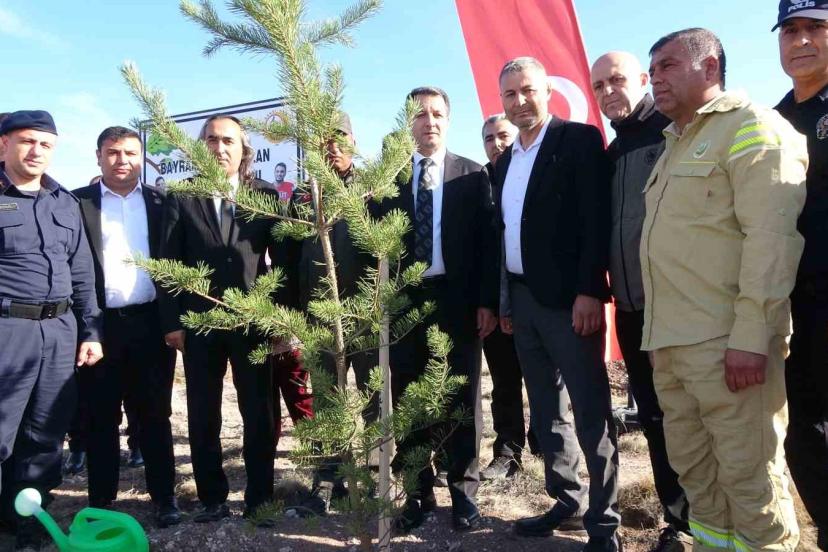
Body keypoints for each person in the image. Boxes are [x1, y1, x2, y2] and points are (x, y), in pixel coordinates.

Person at [642, 28, 805, 551]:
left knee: (751, 482)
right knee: (700, 482)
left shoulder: (752, 126)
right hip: (670, 344)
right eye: (652, 71)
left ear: (709, 68)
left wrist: (752, 336)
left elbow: (772, 240)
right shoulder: (673, 145)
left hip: (729, 344)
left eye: (667, 66)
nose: (655, 80)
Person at [493, 57, 620, 552]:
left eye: (528, 90)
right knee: (546, 410)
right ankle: (566, 500)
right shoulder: (506, 161)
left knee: (590, 410)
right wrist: (507, 301)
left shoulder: (578, 140)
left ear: (547, 91)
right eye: (510, 95)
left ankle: (604, 522)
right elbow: (508, 234)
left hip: (571, 303)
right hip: (523, 303)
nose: (520, 101)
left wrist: (591, 290)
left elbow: (595, 221)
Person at [159, 114, 289, 525]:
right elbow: (166, 264)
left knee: (259, 412)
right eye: (212, 140)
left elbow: (282, 265)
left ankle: (260, 498)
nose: (219, 148)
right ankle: (212, 498)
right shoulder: (181, 197)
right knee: (202, 412)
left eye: (228, 141)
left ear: (243, 149)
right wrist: (173, 323)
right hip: (200, 326)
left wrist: (281, 322)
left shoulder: (265, 196)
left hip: (253, 324)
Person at [382, 86, 498, 533]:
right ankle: (416, 491)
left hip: (459, 301)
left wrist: (486, 302)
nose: (428, 121)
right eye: (419, 114)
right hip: (408, 302)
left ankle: (463, 493)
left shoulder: (472, 175)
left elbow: (488, 246)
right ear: (407, 122)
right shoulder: (389, 181)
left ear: (448, 120)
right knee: (410, 398)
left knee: (460, 398)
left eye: (436, 113)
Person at [590, 51, 690, 551]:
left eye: (618, 80)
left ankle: (713, 521)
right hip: (630, 311)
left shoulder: (676, 132)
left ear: (644, 80)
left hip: (679, 310)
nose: (609, 91)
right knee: (652, 418)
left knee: (689, 418)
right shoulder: (611, 153)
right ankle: (680, 522)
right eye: (600, 85)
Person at [0, 110, 103, 549]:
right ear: (3, 145)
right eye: (27, 141)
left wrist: (92, 331)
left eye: (46, 144)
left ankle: (28, 519)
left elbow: (82, 273)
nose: (36, 151)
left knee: (45, 431)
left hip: (60, 332)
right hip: (7, 330)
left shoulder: (64, 201)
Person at [73, 126, 180, 527]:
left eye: (131, 153)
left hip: (152, 326)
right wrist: (86, 329)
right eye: (113, 152)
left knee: (155, 416)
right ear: (98, 156)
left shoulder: (160, 201)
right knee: (100, 418)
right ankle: (101, 502)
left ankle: (164, 497)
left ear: (142, 157)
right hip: (99, 329)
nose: (122, 160)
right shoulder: (76, 203)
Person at [295, 112, 378, 514]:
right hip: (319, 319)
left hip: (365, 317)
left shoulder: (374, 188)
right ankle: (331, 480)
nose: (332, 146)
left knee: (375, 399)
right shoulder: (302, 194)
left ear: (353, 140)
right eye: (323, 139)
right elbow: (291, 258)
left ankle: (377, 481)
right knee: (327, 401)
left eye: (340, 137)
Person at [774, 3, 828, 548]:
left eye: (816, 28)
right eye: (791, 30)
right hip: (792, 306)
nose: (802, 40)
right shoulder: (775, 117)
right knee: (802, 436)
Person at [478, 114, 540, 480]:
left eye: (503, 135)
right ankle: (507, 452)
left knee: (544, 380)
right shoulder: (478, 180)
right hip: (493, 298)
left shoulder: (532, 171)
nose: (497, 144)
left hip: (533, 298)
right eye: (489, 139)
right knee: (503, 381)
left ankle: (546, 447)